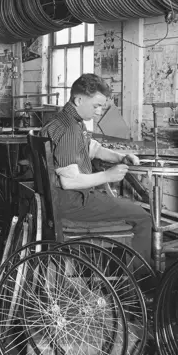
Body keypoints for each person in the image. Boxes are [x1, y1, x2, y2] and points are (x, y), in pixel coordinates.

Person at [40, 73, 152, 264]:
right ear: (79, 99)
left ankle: (119, 268)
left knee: (122, 204)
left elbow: (92, 148)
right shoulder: (70, 129)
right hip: (72, 202)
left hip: (59, 200)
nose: (99, 111)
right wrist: (107, 175)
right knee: (142, 217)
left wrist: (120, 157)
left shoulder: (65, 120)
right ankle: (141, 283)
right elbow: (69, 181)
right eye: (96, 106)